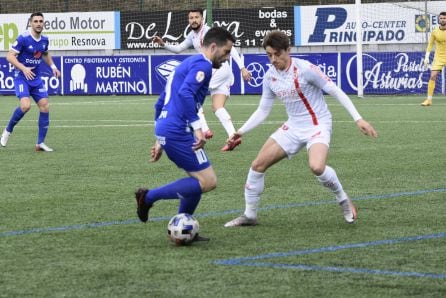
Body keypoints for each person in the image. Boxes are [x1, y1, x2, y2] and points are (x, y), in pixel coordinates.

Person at [224, 31, 378, 228]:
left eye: (277, 54)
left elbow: (335, 90)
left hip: (317, 125)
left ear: (288, 50)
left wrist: (358, 119)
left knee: (317, 167)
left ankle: (343, 198)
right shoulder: (270, 76)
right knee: (257, 165)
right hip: (293, 126)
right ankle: (250, 215)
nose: (273, 59)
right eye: (269, 55)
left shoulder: (305, 69)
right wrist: (240, 131)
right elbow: (263, 110)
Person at [135, 27, 235, 242]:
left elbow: (160, 101)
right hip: (179, 130)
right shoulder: (203, 66)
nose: (227, 58)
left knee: (198, 179)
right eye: (226, 52)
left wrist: (159, 137)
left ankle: (186, 225)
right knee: (208, 181)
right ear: (214, 46)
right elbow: (186, 93)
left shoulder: (186, 64)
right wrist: (198, 127)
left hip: (168, 127)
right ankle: (147, 197)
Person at [153, 8, 252, 151]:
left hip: (217, 69)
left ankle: (204, 129)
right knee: (217, 107)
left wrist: (242, 67)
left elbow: (230, 48)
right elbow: (179, 48)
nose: (193, 20)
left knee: (190, 96)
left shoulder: (208, 32)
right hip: (221, 71)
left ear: (202, 19)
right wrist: (163, 44)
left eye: (196, 17)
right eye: (191, 18)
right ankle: (233, 136)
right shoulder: (192, 35)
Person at [0, 12, 61, 151]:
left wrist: (53, 67)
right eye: (36, 21)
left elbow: (45, 53)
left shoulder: (44, 40)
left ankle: (40, 143)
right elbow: (9, 56)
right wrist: (24, 68)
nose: (39, 23)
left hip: (36, 78)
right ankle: (7, 131)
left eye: (41, 21)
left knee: (45, 106)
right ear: (30, 23)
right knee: (25, 106)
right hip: (21, 77)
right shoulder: (23, 38)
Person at [421, 11, 446, 106]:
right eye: (442, 18)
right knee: (433, 76)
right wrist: (426, 57)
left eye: (445, 18)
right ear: (439, 19)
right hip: (439, 57)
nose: (443, 20)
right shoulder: (435, 31)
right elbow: (430, 44)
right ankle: (429, 100)